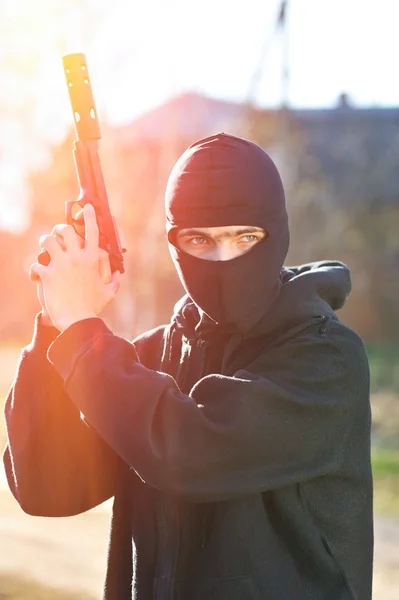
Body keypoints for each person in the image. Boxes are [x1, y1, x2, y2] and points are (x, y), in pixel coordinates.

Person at [3, 133, 373, 600]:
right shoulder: (149, 359)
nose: (222, 259)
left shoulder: (327, 359)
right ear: (174, 243)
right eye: (198, 239)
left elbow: (192, 452)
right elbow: (44, 486)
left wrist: (82, 330)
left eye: (244, 237)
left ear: (277, 234)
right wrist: (58, 323)